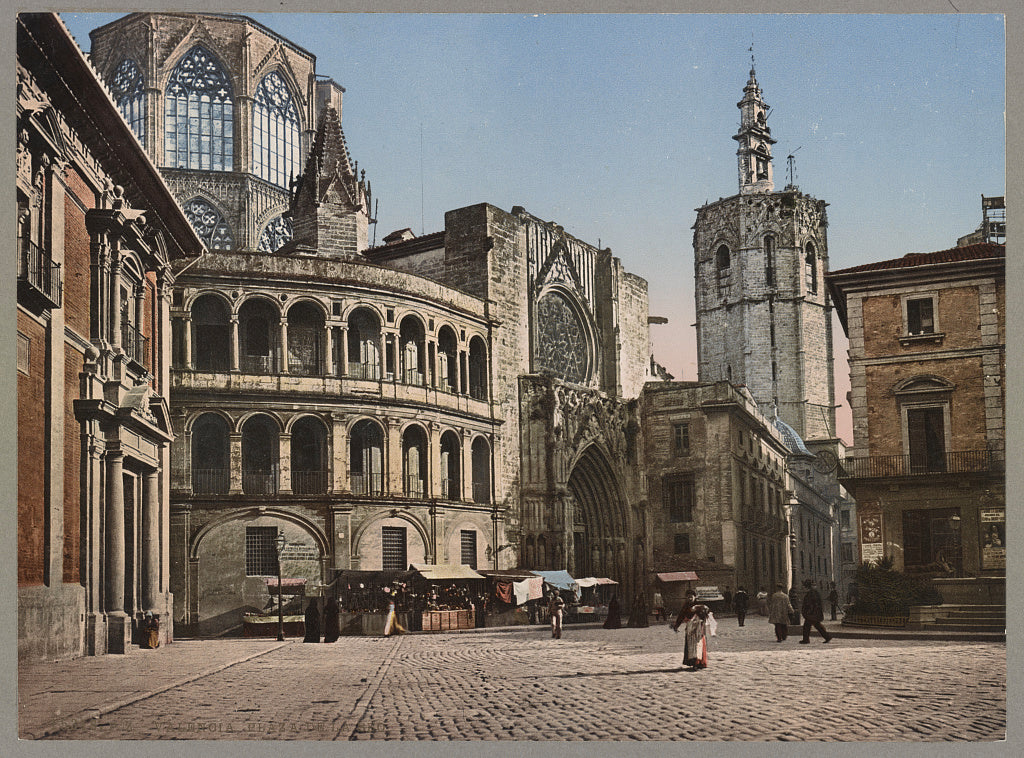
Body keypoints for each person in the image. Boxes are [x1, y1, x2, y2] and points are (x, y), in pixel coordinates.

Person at [672, 590, 715, 670]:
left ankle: (699, 662)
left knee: (698, 644)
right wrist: (676, 625)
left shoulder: (699, 605)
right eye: (688, 597)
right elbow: (681, 616)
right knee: (691, 645)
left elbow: (706, 614)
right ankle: (692, 662)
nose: (690, 598)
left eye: (691, 597)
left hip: (699, 628)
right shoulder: (686, 606)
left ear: (695, 597)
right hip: (690, 628)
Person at [799, 579, 832, 644]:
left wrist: (808, 612)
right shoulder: (813, 592)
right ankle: (827, 637)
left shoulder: (811, 593)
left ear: (806, 586)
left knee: (807, 627)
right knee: (817, 626)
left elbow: (810, 604)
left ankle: (806, 640)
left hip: (812, 614)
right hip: (814, 613)